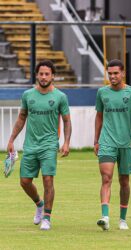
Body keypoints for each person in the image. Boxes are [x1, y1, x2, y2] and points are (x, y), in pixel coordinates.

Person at [6, 60, 72, 231]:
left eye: (47, 74)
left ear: (53, 76)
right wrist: (11, 140)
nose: (43, 77)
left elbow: (66, 121)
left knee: (48, 179)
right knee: (25, 181)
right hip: (30, 145)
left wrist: (66, 142)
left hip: (50, 145)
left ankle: (47, 218)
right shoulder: (28, 95)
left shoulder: (60, 97)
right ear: (36, 75)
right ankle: (39, 204)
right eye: (41, 74)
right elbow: (21, 118)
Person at [94, 59, 131, 231]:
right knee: (106, 177)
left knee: (124, 180)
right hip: (107, 141)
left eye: (116, 73)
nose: (113, 76)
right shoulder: (102, 92)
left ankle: (123, 219)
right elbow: (99, 116)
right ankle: (105, 217)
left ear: (123, 73)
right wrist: (96, 140)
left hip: (126, 143)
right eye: (110, 73)